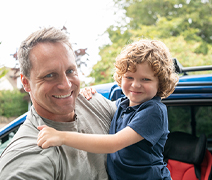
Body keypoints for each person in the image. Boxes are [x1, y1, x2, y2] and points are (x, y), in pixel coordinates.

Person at [37, 39, 179, 180]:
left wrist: (61, 136)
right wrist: (89, 91)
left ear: (160, 82)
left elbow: (114, 144)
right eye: (129, 77)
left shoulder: (153, 111)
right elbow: (104, 106)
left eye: (145, 79)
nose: (135, 85)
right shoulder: (123, 104)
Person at [0, 27, 117, 180]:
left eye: (70, 71)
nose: (66, 85)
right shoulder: (25, 158)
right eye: (50, 75)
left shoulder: (94, 103)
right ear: (26, 83)